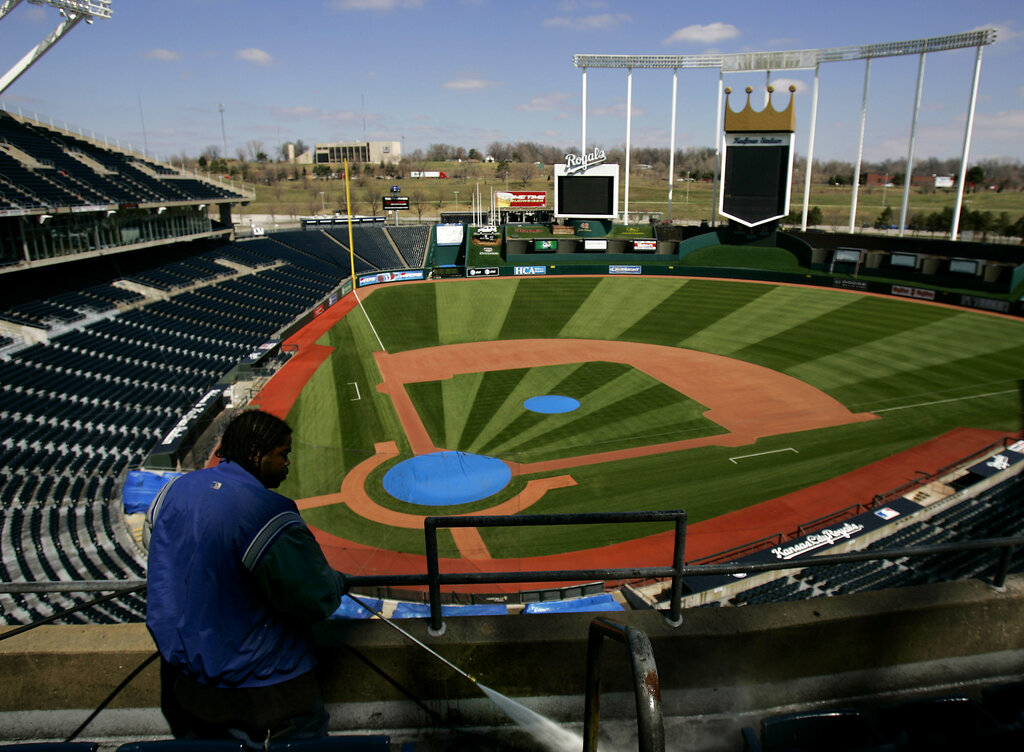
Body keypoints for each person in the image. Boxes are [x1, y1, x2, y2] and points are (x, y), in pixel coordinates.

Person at [145, 409, 349, 747]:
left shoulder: (173, 491)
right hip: (266, 689)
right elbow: (317, 598)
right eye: (282, 454)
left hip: (186, 682)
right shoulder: (269, 512)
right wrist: (338, 582)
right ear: (256, 454)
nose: (287, 463)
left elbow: (161, 555)